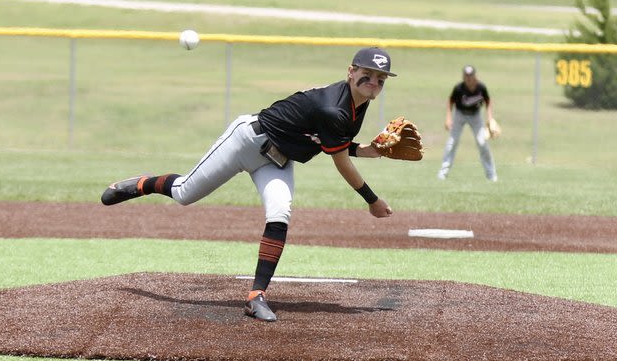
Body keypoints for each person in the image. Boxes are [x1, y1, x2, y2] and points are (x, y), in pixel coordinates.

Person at [101, 47, 397, 322]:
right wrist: (372, 200)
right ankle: (140, 184)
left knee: (280, 214)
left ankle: (257, 296)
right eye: (366, 75)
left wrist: (368, 150)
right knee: (184, 193)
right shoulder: (333, 108)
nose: (373, 82)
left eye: (380, 79)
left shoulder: (357, 104)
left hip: (277, 159)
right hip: (247, 141)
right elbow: (341, 160)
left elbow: (329, 142)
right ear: (350, 72)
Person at [437, 65, 498, 181]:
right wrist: (448, 118)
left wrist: (490, 119)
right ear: (463, 76)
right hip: (460, 115)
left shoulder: (481, 87)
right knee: (452, 143)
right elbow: (450, 101)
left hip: (476, 116)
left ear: (475, 76)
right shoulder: (459, 88)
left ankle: (491, 175)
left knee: (482, 142)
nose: (469, 78)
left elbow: (488, 101)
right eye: (466, 76)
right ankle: (442, 173)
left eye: (471, 75)